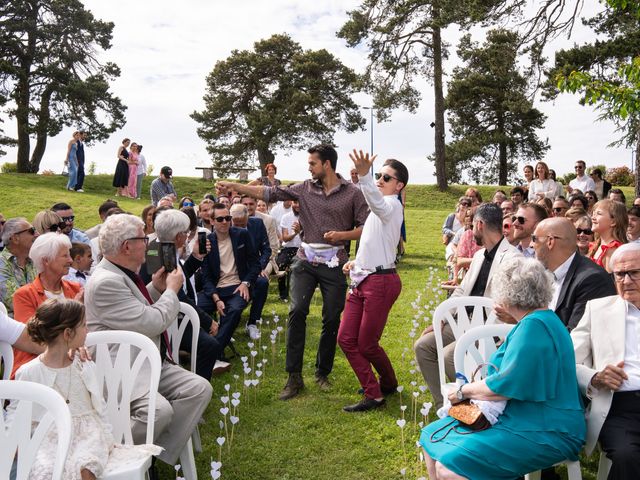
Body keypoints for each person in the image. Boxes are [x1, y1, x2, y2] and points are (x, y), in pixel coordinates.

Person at [217, 143, 369, 400]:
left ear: (327, 164)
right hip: (304, 261)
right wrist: (236, 187)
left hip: (335, 261)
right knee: (297, 311)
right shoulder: (304, 188)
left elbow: (365, 227)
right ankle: (293, 377)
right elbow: (268, 192)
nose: (309, 168)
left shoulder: (352, 193)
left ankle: (322, 372)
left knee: (332, 318)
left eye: (312, 163)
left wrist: (342, 235)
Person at [420, 257, 585, 480]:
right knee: (430, 436)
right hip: (526, 419)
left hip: (547, 429)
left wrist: (462, 391)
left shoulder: (534, 327)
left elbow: (503, 387)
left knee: (449, 467)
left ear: (509, 295)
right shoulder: (540, 320)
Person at [84, 213, 212, 465]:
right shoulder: (106, 282)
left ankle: (157, 457)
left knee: (198, 389)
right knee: (158, 412)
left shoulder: (121, 272)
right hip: (122, 368)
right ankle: (113, 454)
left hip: (147, 361)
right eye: (144, 237)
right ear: (126, 246)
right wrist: (172, 291)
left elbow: (137, 311)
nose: (149, 242)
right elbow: (151, 322)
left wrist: (155, 288)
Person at [9, 298, 161, 480]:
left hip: (88, 435)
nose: (87, 330)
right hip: (48, 438)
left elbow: (99, 405)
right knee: (46, 471)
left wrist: (107, 437)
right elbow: (16, 411)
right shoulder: (29, 372)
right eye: (83, 326)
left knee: (86, 468)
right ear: (68, 334)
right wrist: (14, 441)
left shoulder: (83, 366)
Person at [414, 203, 521, 408]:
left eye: (471, 226)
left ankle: (475, 407)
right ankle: (443, 406)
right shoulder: (480, 255)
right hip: (463, 322)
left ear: (480, 224)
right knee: (423, 347)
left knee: (449, 357)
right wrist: (443, 320)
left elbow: (510, 303)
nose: (470, 231)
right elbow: (462, 291)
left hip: (490, 329)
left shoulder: (512, 258)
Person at [338, 151, 407, 412]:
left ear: (398, 186)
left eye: (385, 177)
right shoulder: (379, 208)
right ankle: (378, 388)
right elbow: (375, 244)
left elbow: (377, 203)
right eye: (378, 175)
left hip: (380, 283)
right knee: (346, 338)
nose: (380, 179)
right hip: (364, 278)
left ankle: (381, 388)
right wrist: (356, 263)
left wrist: (365, 176)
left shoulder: (392, 205)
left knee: (366, 344)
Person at [571, 243, 640, 478]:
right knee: (627, 456)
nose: (627, 280)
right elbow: (567, 361)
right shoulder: (598, 309)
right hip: (619, 405)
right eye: (620, 274)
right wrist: (596, 377)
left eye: (635, 273)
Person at [142, 209, 223, 380]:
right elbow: (177, 294)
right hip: (172, 318)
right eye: (186, 232)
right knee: (209, 346)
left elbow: (180, 277)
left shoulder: (159, 248)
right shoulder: (162, 254)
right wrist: (207, 321)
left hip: (175, 312)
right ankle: (198, 387)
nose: (188, 236)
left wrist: (196, 257)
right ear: (178, 236)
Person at [11, 232, 82, 377]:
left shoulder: (75, 288)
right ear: (46, 261)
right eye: (65, 256)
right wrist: (74, 308)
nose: (70, 260)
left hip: (74, 361)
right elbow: (35, 337)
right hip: (36, 366)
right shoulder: (24, 295)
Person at [531, 217, 616, 330]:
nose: (532, 245)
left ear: (550, 241)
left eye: (534, 239)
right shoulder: (545, 273)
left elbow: (575, 335)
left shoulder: (592, 280)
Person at [197, 204, 260, 353]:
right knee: (193, 308)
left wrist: (245, 283)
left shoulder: (241, 235)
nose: (225, 221)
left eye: (228, 218)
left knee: (234, 310)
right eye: (220, 219)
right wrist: (216, 298)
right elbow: (205, 276)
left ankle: (214, 351)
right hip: (216, 289)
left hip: (238, 286)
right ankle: (198, 345)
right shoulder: (206, 242)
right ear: (212, 221)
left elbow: (255, 264)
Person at [229, 204, 270, 340]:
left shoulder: (257, 224)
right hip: (232, 270)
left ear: (248, 218)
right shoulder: (225, 226)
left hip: (253, 268)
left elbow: (266, 250)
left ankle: (252, 323)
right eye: (236, 224)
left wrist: (259, 268)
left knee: (262, 282)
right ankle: (228, 325)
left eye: (242, 224)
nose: (239, 228)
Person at [0, 218, 38, 315]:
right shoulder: (2, 263)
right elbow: (16, 302)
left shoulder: (33, 260)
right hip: (13, 326)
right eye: (32, 231)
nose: (37, 234)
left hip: (38, 318)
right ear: (15, 238)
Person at [589, 198, 628, 272]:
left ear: (613, 221)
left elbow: (610, 281)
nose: (593, 218)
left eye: (599, 214)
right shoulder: (597, 245)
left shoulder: (612, 249)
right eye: (593, 214)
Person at [278, 200, 302, 301]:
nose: (297, 205)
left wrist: (301, 232)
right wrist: (295, 233)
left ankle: (299, 294)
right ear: (291, 203)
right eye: (295, 202)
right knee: (281, 264)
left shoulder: (309, 216)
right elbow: (285, 238)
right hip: (289, 248)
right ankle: (283, 294)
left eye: (299, 203)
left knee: (300, 265)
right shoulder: (286, 217)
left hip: (304, 248)